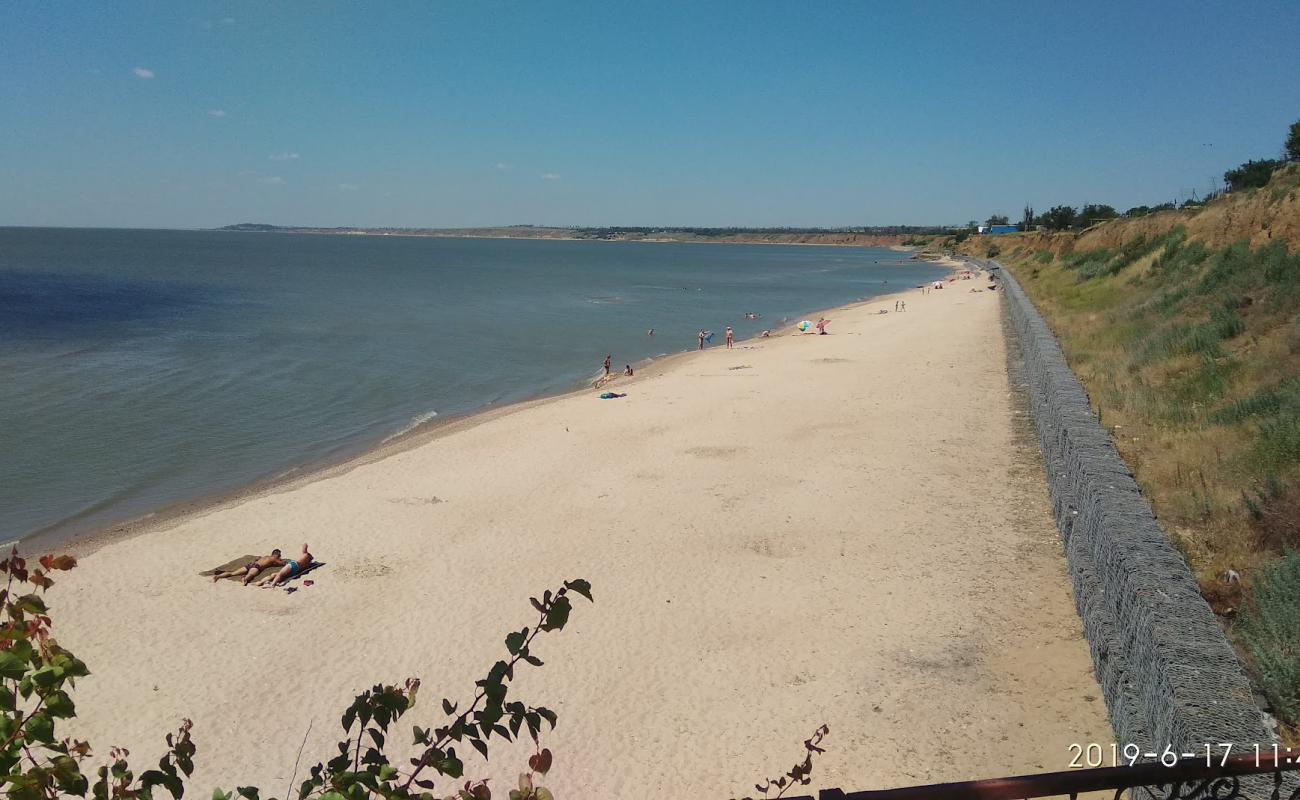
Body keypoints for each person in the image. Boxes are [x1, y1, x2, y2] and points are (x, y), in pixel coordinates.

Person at [212, 550, 284, 585]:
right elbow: (282, 563)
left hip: (251, 564)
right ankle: (244, 579)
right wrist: (280, 560)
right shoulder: (274, 558)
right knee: (251, 575)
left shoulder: (266, 556)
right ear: (277, 555)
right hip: (257, 567)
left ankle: (218, 576)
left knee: (233, 573)